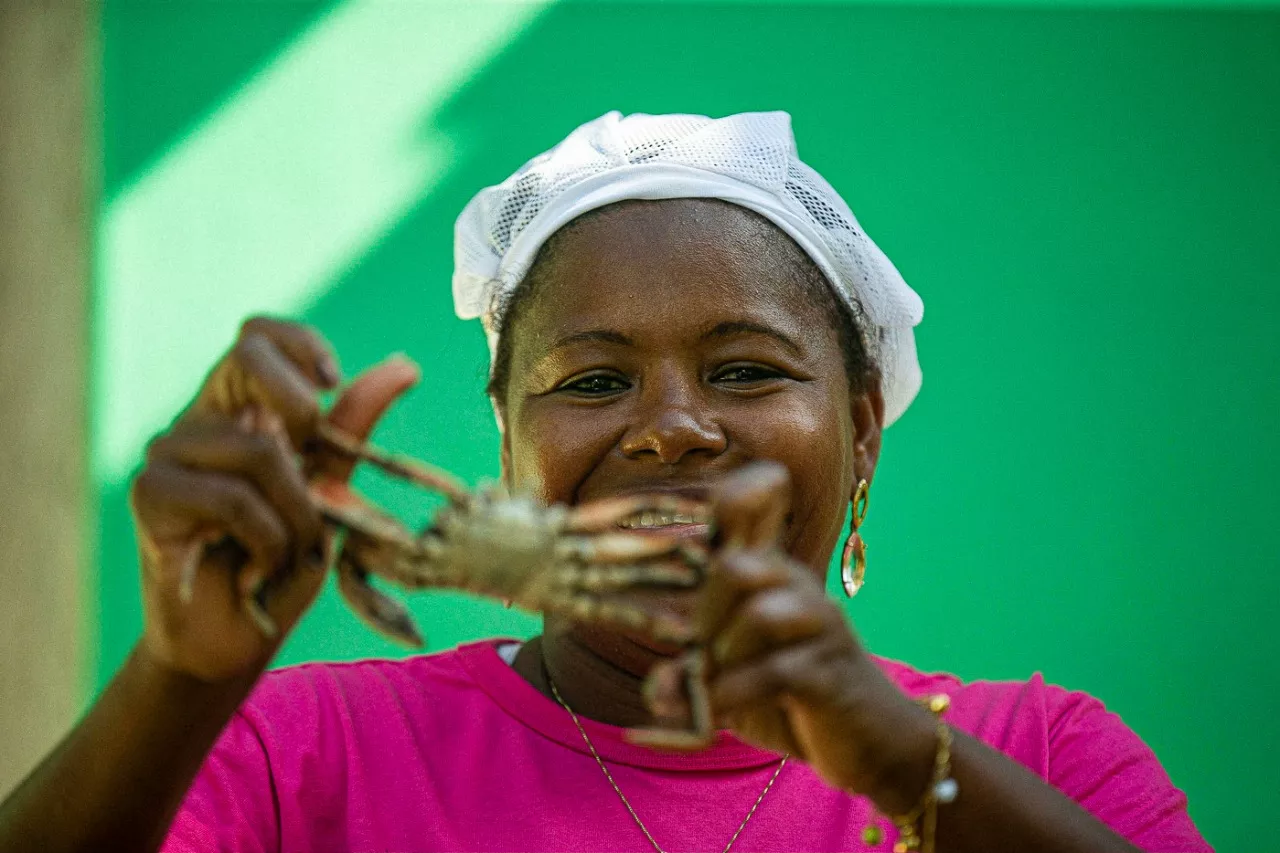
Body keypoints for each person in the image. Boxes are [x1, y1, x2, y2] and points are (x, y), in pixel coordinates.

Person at [0, 112, 1211, 853]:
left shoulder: (1045, 756)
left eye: (742, 369)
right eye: (589, 383)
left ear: (860, 438)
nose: (670, 430)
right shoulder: (294, 753)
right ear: (507, 453)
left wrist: (898, 762)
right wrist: (175, 679)